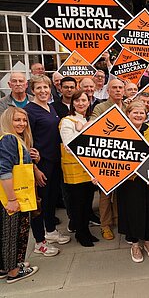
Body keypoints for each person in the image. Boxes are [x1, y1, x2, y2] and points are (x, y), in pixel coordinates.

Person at [24, 75, 70, 256]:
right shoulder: (29, 111)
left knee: (51, 199)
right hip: (40, 163)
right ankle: (39, 242)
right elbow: (25, 138)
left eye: (46, 87)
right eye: (39, 88)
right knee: (39, 204)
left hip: (54, 160)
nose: (43, 91)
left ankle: (50, 231)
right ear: (32, 90)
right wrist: (34, 166)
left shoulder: (50, 107)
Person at [117, 101, 149, 263]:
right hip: (127, 180)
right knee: (131, 210)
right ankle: (135, 244)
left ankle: (148, 241)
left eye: (141, 113)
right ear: (128, 113)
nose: (138, 115)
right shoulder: (120, 131)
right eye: (135, 112)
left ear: (146, 115)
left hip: (148, 180)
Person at [0, 107, 39, 283]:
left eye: (24, 120)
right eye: (17, 120)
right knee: (15, 233)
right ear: (8, 121)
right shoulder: (8, 139)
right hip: (13, 196)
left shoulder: (15, 139)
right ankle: (14, 271)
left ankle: (5, 267)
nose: (22, 124)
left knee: (6, 232)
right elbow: (5, 171)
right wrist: (12, 199)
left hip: (10, 196)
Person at [59, 90, 98, 247]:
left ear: (88, 103)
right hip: (74, 170)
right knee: (78, 204)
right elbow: (69, 146)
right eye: (77, 101)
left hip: (88, 170)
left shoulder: (85, 119)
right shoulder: (67, 121)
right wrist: (83, 129)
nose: (81, 103)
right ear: (72, 103)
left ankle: (86, 232)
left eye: (84, 100)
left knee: (87, 204)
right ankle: (81, 234)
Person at [91, 79, 126, 240]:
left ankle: (118, 219)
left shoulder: (127, 107)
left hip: (124, 156)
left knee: (120, 193)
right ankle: (105, 225)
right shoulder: (100, 107)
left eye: (120, 88)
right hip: (106, 155)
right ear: (108, 91)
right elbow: (92, 125)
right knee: (105, 195)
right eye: (114, 88)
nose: (118, 90)